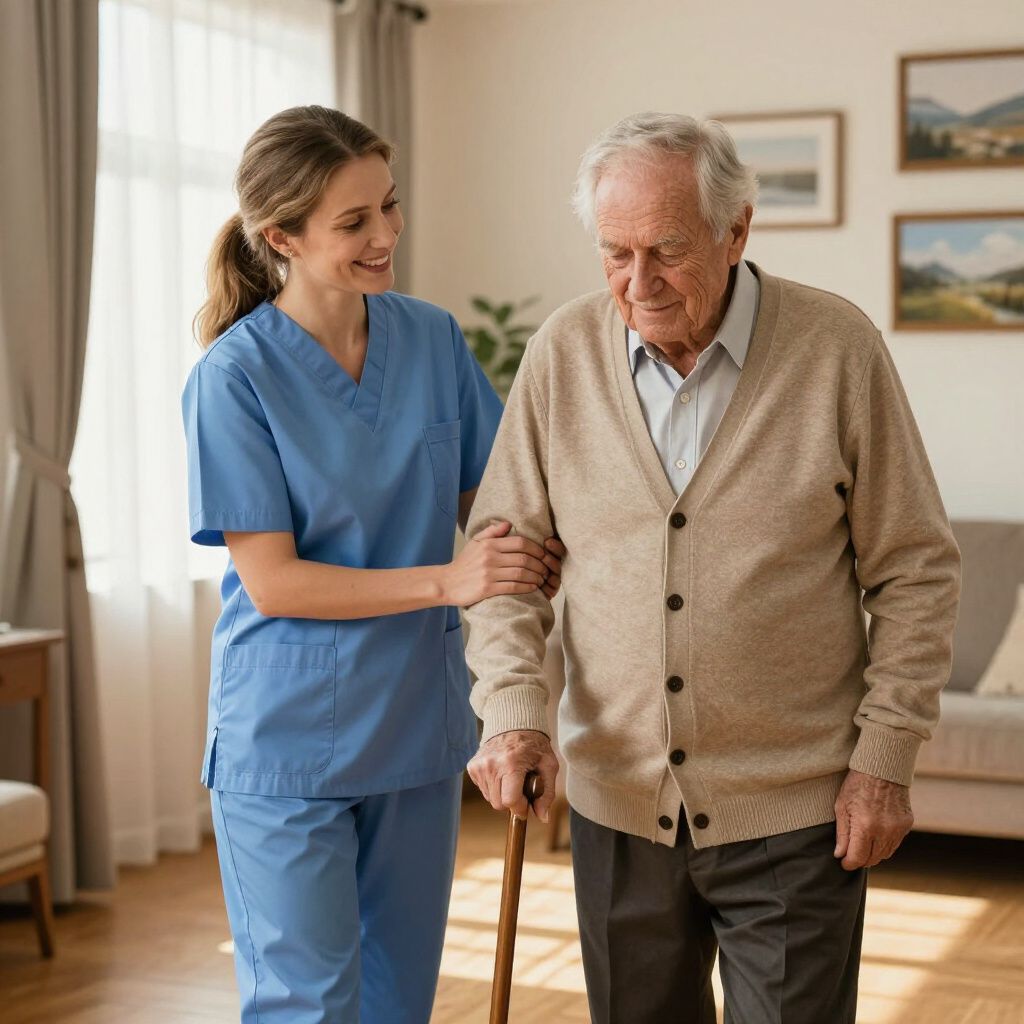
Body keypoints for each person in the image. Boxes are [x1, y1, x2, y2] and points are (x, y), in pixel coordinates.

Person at [462, 112, 961, 1024]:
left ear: (737, 231)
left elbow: (917, 570)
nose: (638, 282)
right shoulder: (562, 356)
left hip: (799, 817)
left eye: (667, 249)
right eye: (614, 253)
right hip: (617, 810)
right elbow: (504, 564)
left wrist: (884, 761)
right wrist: (512, 714)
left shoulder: (835, 349)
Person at [181, 104, 565, 1024]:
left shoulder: (428, 338)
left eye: (388, 208)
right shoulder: (232, 379)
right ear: (281, 236)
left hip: (414, 728)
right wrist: (453, 580)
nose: (386, 235)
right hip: (286, 741)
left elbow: (507, 493)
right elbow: (274, 581)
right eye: (354, 223)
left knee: (401, 1004)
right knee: (309, 1006)